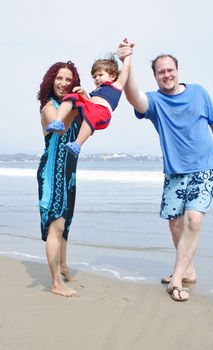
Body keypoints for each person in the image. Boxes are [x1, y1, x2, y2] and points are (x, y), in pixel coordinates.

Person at [118, 40, 213, 302]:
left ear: (177, 71)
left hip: (203, 170)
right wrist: (127, 61)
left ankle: (177, 278)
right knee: (175, 225)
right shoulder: (156, 102)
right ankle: (188, 270)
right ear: (156, 76)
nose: (166, 75)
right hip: (174, 173)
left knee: (194, 220)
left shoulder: (199, 93)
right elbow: (134, 96)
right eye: (161, 72)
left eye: (170, 70)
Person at [37, 61, 82, 297]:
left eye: (69, 79)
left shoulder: (73, 105)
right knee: (56, 225)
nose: (64, 83)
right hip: (52, 171)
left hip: (69, 171)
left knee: (66, 224)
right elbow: (60, 128)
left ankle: (63, 267)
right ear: (51, 80)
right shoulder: (49, 107)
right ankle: (55, 283)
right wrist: (77, 105)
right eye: (59, 78)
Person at [46, 53, 131, 157]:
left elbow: (126, 70)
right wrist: (83, 94)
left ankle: (77, 144)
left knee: (91, 116)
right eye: (94, 76)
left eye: (100, 75)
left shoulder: (116, 85)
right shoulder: (97, 90)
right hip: (91, 107)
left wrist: (127, 57)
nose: (96, 78)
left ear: (113, 76)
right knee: (72, 97)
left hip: (102, 111)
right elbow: (90, 102)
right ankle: (58, 121)